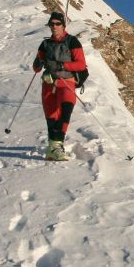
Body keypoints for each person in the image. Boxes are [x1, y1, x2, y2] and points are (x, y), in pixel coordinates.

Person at [32, 12, 87, 161]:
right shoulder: (45, 44)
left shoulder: (72, 41)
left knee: (65, 111)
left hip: (67, 83)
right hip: (48, 83)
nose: (54, 26)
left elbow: (81, 64)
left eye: (58, 24)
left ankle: (56, 147)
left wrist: (62, 65)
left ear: (63, 25)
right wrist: (38, 63)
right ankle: (53, 149)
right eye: (52, 24)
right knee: (51, 117)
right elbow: (36, 68)